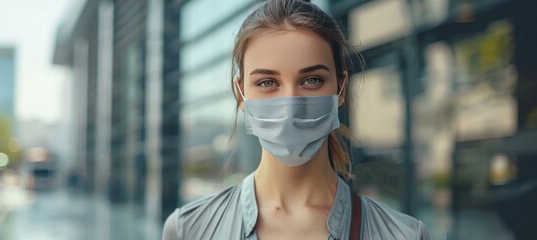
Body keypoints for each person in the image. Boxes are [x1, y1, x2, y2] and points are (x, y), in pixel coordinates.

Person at [163, 0, 429, 239]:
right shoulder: (188, 230)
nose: (290, 103)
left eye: (311, 80)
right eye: (267, 82)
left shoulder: (405, 235)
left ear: (340, 89)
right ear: (240, 94)